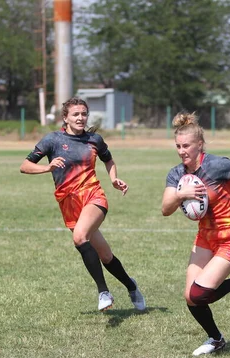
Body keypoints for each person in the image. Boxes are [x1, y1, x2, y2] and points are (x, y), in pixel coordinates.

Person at [161, 111, 230, 356]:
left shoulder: (216, 165)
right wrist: (181, 195)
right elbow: (165, 209)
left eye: (187, 146)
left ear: (199, 145)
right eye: (178, 146)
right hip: (205, 236)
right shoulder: (176, 174)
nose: (182, 151)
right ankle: (216, 339)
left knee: (199, 293)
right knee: (190, 296)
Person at [20, 97, 145, 312]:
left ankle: (103, 292)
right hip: (68, 203)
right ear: (65, 118)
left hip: (93, 196)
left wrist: (114, 178)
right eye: (75, 114)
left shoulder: (94, 140)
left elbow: (108, 159)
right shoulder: (52, 140)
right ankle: (131, 285)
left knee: (79, 237)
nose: (80, 118)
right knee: (105, 255)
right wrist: (47, 168)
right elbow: (25, 165)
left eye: (83, 114)